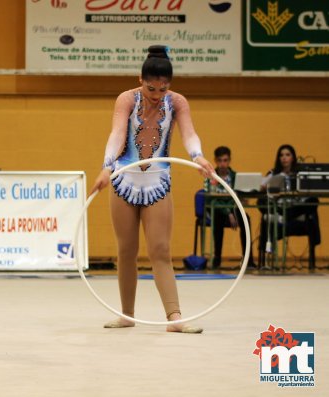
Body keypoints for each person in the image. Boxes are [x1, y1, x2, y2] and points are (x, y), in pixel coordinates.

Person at [91, 45, 214, 333]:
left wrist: (198, 156)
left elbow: (189, 133)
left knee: (160, 249)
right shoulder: (126, 99)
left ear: (169, 86)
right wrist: (107, 166)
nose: (156, 95)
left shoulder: (177, 102)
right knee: (126, 250)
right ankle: (126, 314)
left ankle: (174, 317)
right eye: (151, 88)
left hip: (158, 180)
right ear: (140, 79)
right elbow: (117, 133)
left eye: (162, 89)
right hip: (124, 179)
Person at [258, 144, 320, 267]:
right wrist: (267, 188)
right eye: (281, 155)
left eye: (287, 155)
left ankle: (288, 216)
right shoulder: (273, 173)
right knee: (262, 203)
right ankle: (285, 216)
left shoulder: (300, 174)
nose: (284, 158)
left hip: (296, 209)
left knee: (314, 201)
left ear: (293, 157)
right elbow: (261, 187)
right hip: (279, 209)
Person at [205, 146, 255, 269]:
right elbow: (211, 199)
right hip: (218, 212)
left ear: (229, 160)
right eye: (220, 160)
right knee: (217, 218)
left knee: (246, 219)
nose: (223, 164)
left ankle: (249, 259)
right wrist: (228, 212)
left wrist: (232, 209)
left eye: (225, 160)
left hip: (234, 211)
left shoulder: (236, 177)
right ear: (215, 161)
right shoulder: (210, 177)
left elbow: (237, 198)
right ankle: (217, 259)